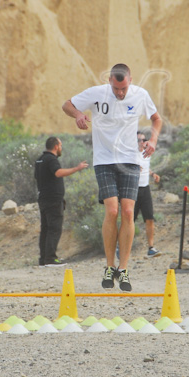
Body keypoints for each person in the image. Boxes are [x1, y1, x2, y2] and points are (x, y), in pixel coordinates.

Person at [63, 63, 163, 291]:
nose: (120, 93)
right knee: (112, 211)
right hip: (104, 160)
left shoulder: (140, 95)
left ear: (130, 81)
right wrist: (78, 114)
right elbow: (67, 104)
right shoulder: (97, 93)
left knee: (128, 212)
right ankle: (109, 266)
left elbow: (156, 119)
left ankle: (123, 269)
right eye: (116, 88)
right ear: (109, 81)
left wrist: (153, 140)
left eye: (123, 88)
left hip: (130, 160)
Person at [34, 137, 89, 267]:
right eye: (61, 145)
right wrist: (77, 168)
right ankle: (50, 259)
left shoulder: (40, 159)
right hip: (53, 199)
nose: (61, 148)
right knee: (54, 228)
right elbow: (58, 173)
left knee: (45, 229)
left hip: (43, 198)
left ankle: (43, 259)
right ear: (56, 146)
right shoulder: (51, 159)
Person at [134, 131, 161, 258]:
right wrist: (132, 168)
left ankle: (151, 248)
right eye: (139, 140)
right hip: (133, 189)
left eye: (144, 140)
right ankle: (120, 246)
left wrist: (153, 174)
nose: (142, 142)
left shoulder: (146, 153)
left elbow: (145, 166)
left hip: (145, 189)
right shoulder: (131, 154)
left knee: (149, 218)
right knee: (129, 220)